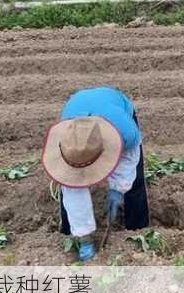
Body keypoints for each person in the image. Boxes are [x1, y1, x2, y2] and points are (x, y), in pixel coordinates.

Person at [42, 87, 149, 261]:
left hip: (114, 106)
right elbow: (72, 190)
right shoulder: (69, 141)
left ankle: (138, 228)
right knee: (69, 182)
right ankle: (70, 232)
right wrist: (84, 238)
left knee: (135, 183)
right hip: (77, 105)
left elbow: (129, 159)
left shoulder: (126, 132)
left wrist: (118, 188)